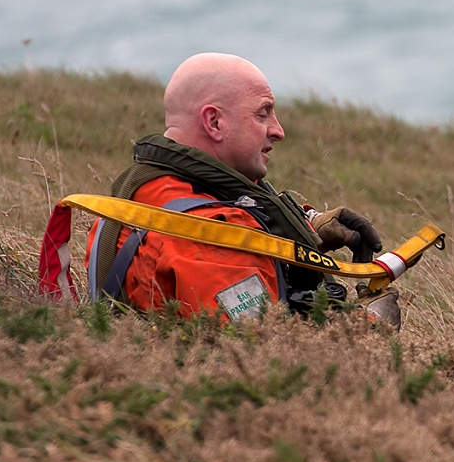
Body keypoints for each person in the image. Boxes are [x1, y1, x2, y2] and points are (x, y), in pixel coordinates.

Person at [84, 52, 400, 327]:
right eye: (262, 114)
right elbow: (262, 350)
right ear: (214, 122)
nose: (278, 131)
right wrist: (371, 323)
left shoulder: (144, 187)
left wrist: (308, 229)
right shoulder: (212, 238)